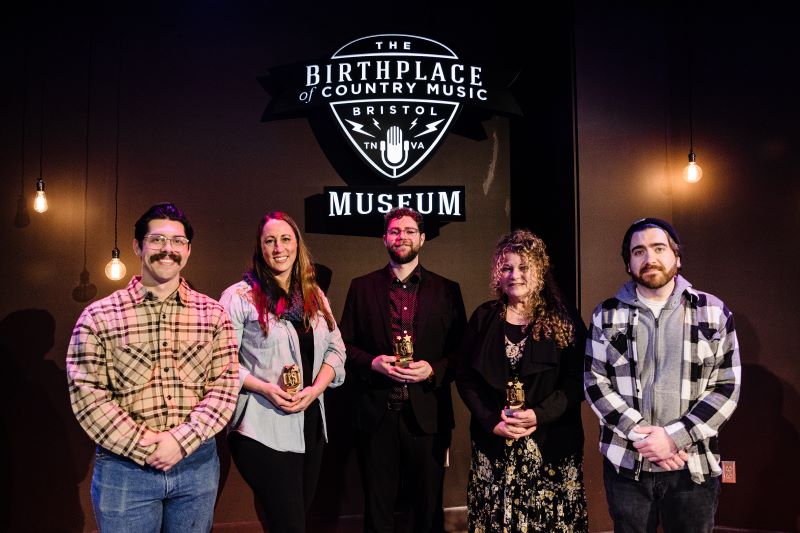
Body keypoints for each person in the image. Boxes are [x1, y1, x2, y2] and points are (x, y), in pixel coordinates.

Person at [67, 202, 239, 532]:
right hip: (125, 470)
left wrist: (180, 441)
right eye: (157, 239)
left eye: (177, 241)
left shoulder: (214, 315)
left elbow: (224, 385)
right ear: (138, 245)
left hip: (196, 467)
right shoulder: (98, 317)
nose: (167, 250)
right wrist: (146, 446)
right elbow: (89, 396)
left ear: (188, 250)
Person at [584, 217, 741, 533]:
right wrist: (643, 435)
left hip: (691, 464)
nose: (649, 258)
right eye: (638, 251)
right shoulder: (607, 313)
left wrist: (673, 438)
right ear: (629, 263)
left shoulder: (712, 311)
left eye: (659, 248)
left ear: (677, 257)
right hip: (628, 464)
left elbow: (727, 387)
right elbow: (594, 382)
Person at [340, 207, 466, 533]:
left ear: (422, 238)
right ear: (384, 238)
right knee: (377, 508)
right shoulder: (361, 287)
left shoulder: (447, 290)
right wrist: (372, 362)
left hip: (429, 415)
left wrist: (433, 370)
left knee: (428, 510)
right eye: (395, 231)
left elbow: (463, 352)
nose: (402, 237)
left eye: (410, 231)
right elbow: (344, 347)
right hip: (376, 415)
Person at [219, 211, 346, 533]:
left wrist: (317, 388)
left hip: (311, 426)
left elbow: (336, 349)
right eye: (270, 241)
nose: (279, 248)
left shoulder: (314, 295)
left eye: (285, 239)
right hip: (261, 429)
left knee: (293, 521)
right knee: (289, 524)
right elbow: (219, 364)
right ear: (260, 248)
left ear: (297, 245)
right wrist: (264, 388)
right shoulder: (239, 297)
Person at [456, 229, 588, 533]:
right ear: (497, 273)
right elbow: (465, 378)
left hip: (550, 445)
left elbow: (577, 380)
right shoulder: (483, 317)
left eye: (524, 267)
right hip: (494, 445)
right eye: (507, 267)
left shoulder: (564, 318)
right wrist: (491, 420)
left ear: (539, 270)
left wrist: (537, 416)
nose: (515, 275)